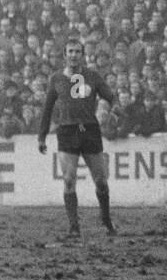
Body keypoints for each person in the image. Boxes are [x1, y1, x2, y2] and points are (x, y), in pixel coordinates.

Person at [37, 39, 121, 238]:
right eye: (70, 51)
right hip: (67, 132)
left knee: (101, 181)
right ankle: (74, 227)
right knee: (68, 179)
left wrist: (115, 107)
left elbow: (110, 96)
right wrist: (41, 136)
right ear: (65, 55)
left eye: (77, 51)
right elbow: (47, 108)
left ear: (82, 54)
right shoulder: (56, 78)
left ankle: (106, 218)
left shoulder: (92, 76)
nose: (73, 55)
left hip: (90, 131)